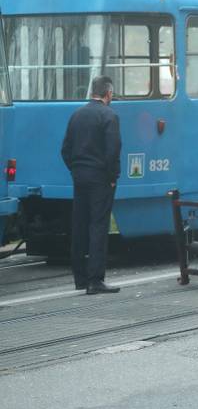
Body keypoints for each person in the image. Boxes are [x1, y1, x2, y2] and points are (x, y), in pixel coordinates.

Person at [61, 75, 122, 294]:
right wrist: (113, 175)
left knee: (79, 225)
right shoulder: (109, 116)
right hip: (100, 178)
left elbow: (65, 149)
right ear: (108, 93)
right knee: (98, 225)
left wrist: (75, 169)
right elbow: (113, 150)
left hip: (79, 176)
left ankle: (80, 278)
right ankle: (95, 280)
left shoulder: (77, 115)